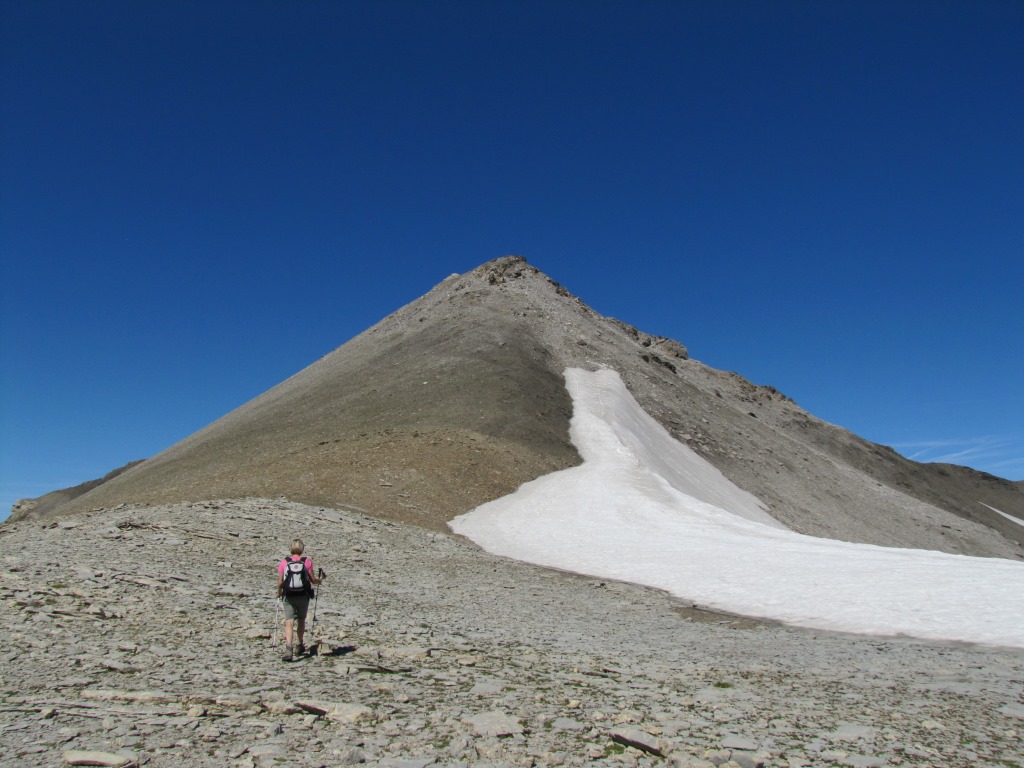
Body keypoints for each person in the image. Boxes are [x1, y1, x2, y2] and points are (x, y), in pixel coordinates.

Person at [276, 538, 325, 661]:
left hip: (289, 595)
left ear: (291, 548)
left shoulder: (284, 562)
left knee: (289, 621)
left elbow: (280, 581)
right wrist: (319, 581)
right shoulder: (306, 561)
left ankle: (288, 648)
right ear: (302, 549)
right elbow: (312, 579)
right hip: (303, 595)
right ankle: (299, 644)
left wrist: (279, 592)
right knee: (301, 620)